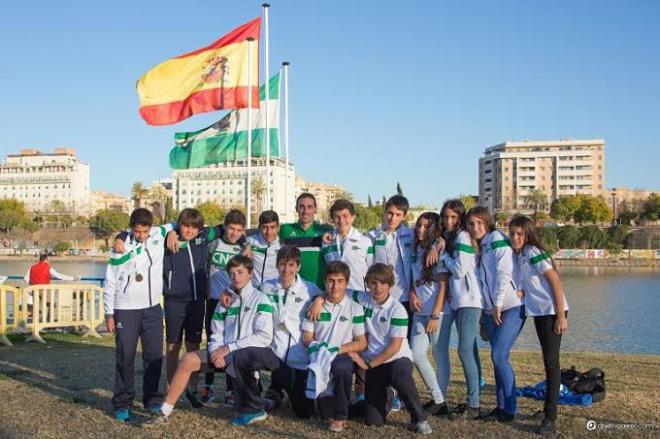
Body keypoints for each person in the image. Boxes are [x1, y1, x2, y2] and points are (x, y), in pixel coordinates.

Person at [145, 255, 275, 427]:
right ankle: (165, 411)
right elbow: (216, 330)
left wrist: (229, 348)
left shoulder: (261, 299)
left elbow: (264, 336)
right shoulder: (225, 300)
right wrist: (215, 351)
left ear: (250, 274)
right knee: (188, 359)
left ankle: (255, 403)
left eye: (240, 272)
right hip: (224, 353)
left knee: (240, 362)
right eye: (232, 273)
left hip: (249, 355)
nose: (235, 276)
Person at [103, 208, 174, 422]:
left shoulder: (159, 234)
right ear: (131, 228)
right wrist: (109, 313)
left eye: (145, 231)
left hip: (152, 308)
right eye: (137, 231)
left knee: (153, 357)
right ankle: (122, 403)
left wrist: (172, 233)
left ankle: (152, 400)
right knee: (125, 357)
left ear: (151, 227)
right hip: (126, 309)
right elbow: (111, 281)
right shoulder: (121, 245)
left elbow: (178, 225)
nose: (141, 235)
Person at [348, 264, 432, 434]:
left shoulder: (398, 310)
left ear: (390, 285)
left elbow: (394, 347)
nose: (377, 287)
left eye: (382, 283)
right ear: (367, 283)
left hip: (396, 359)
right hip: (375, 363)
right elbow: (338, 293)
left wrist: (368, 365)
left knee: (400, 376)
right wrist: (319, 301)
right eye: (373, 283)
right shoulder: (362, 298)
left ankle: (420, 418)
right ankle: (388, 397)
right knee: (373, 421)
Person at [509, 215, 569, 435]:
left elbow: (555, 281)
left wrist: (561, 316)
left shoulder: (534, 252)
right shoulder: (522, 254)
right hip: (540, 313)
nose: (515, 238)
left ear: (528, 234)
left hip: (552, 312)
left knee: (552, 363)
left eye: (519, 234)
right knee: (547, 361)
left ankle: (550, 417)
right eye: (512, 233)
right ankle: (548, 409)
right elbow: (534, 283)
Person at [466, 207, 525, 423]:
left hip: (511, 307)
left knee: (499, 356)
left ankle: (510, 408)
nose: (475, 228)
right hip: (492, 311)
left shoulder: (496, 238)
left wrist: (499, 304)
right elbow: (482, 285)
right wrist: (484, 314)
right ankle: (501, 407)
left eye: (479, 222)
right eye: (471, 224)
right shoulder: (479, 247)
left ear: (488, 222)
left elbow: (504, 273)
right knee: (498, 358)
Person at [301, 261, 367, 433]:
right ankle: (345, 406)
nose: (335, 285)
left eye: (339, 281)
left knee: (343, 368)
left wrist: (336, 350)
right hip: (319, 356)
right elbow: (306, 337)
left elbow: (361, 342)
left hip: (341, 354)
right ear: (325, 281)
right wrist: (320, 348)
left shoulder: (356, 308)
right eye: (331, 280)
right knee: (320, 414)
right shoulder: (314, 306)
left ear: (346, 282)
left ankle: (341, 416)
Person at [258, 245, 322, 418]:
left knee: (304, 413)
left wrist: (319, 300)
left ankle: (277, 391)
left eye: (291, 265)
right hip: (272, 350)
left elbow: (327, 298)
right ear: (277, 264)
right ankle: (267, 394)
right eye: (283, 264)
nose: (286, 269)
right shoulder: (266, 287)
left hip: (298, 356)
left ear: (298, 266)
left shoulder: (310, 290)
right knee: (248, 358)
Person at [436, 199, 483, 420]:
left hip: (469, 301)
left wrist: (444, 255)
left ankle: (474, 404)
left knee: (464, 351)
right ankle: (474, 399)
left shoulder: (463, 236)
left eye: (453, 217)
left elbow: (460, 270)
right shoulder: (449, 238)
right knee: (470, 350)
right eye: (446, 216)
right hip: (458, 302)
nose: (448, 221)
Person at [204, 208, 248, 405]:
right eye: (231, 228)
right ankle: (209, 386)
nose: (234, 233)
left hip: (233, 302)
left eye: (239, 230)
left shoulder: (242, 247)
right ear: (225, 226)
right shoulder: (214, 243)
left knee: (230, 344)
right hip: (213, 300)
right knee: (212, 342)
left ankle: (231, 390)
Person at [408, 212, 451, 416]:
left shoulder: (439, 250)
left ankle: (440, 399)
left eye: (426, 226)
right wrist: (413, 293)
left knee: (439, 354)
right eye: (419, 225)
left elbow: (443, 285)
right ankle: (438, 399)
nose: (420, 229)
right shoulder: (416, 248)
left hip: (438, 311)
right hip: (419, 310)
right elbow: (413, 278)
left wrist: (435, 314)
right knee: (416, 354)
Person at [280, 193, 332, 289]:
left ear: (315, 209)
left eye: (309, 207)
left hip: (320, 291)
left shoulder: (326, 231)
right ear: (296, 208)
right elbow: (262, 233)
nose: (305, 211)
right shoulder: (285, 229)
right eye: (302, 207)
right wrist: (246, 244)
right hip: (294, 290)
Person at [321, 199, 373, 291]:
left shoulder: (365, 242)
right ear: (333, 219)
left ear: (353, 217)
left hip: (360, 294)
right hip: (336, 295)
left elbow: (372, 270)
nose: (341, 221)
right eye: (337, 217)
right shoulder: (326, 242)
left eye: (345, 216)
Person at [247, 210, 281, 288]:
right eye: (264, 228)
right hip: (254, 291)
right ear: (259, 228)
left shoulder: (282, 245)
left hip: (273, 291)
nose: (268, 232)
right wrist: (245, 245)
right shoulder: (250, 241)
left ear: (278, 228)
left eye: (272, 227)